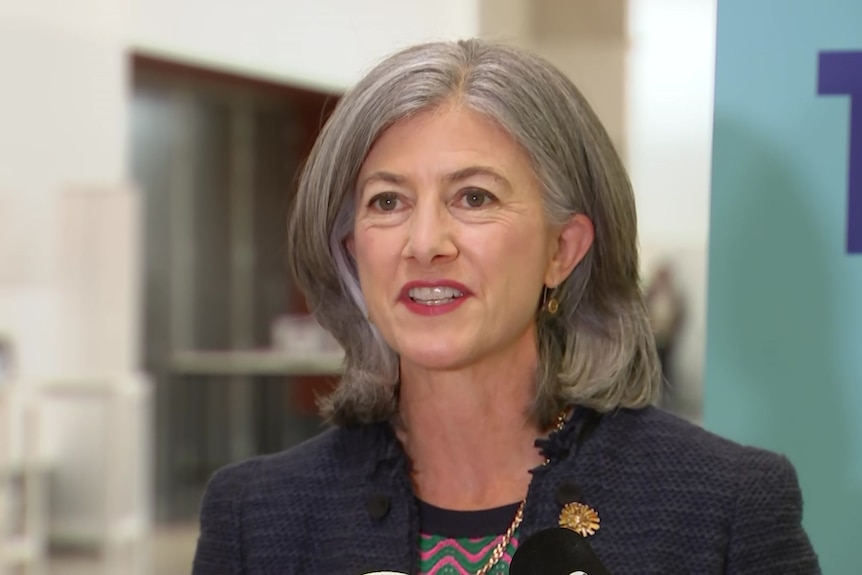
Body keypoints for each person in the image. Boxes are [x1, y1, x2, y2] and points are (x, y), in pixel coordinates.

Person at [192, 39, 820, 574]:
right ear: (352, 249)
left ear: (562, 249)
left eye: (473, 197)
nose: (425, 243)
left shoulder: (722, 509)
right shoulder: (255, 518)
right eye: (387, 202)